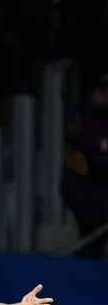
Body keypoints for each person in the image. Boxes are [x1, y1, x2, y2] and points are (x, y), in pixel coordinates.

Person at [60, 72, 108, 258]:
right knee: (91, 244)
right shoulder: (84, 123)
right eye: (102, 91)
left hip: (98, 195)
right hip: (85, 195)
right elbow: (94, 165)